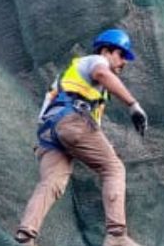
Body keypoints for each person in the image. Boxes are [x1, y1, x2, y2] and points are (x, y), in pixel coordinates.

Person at [14, 29, 149, 246]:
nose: (124, 61)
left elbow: (85, 127)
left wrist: (105, 147)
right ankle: (116, 236)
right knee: (113, 169)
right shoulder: (96, 61)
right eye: (121, 54)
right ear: (106, 51)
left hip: (49, 133)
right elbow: (102, 74)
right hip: (72, 122)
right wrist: (133, 105)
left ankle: (25, 237)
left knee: (52, 182)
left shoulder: (74, 77)